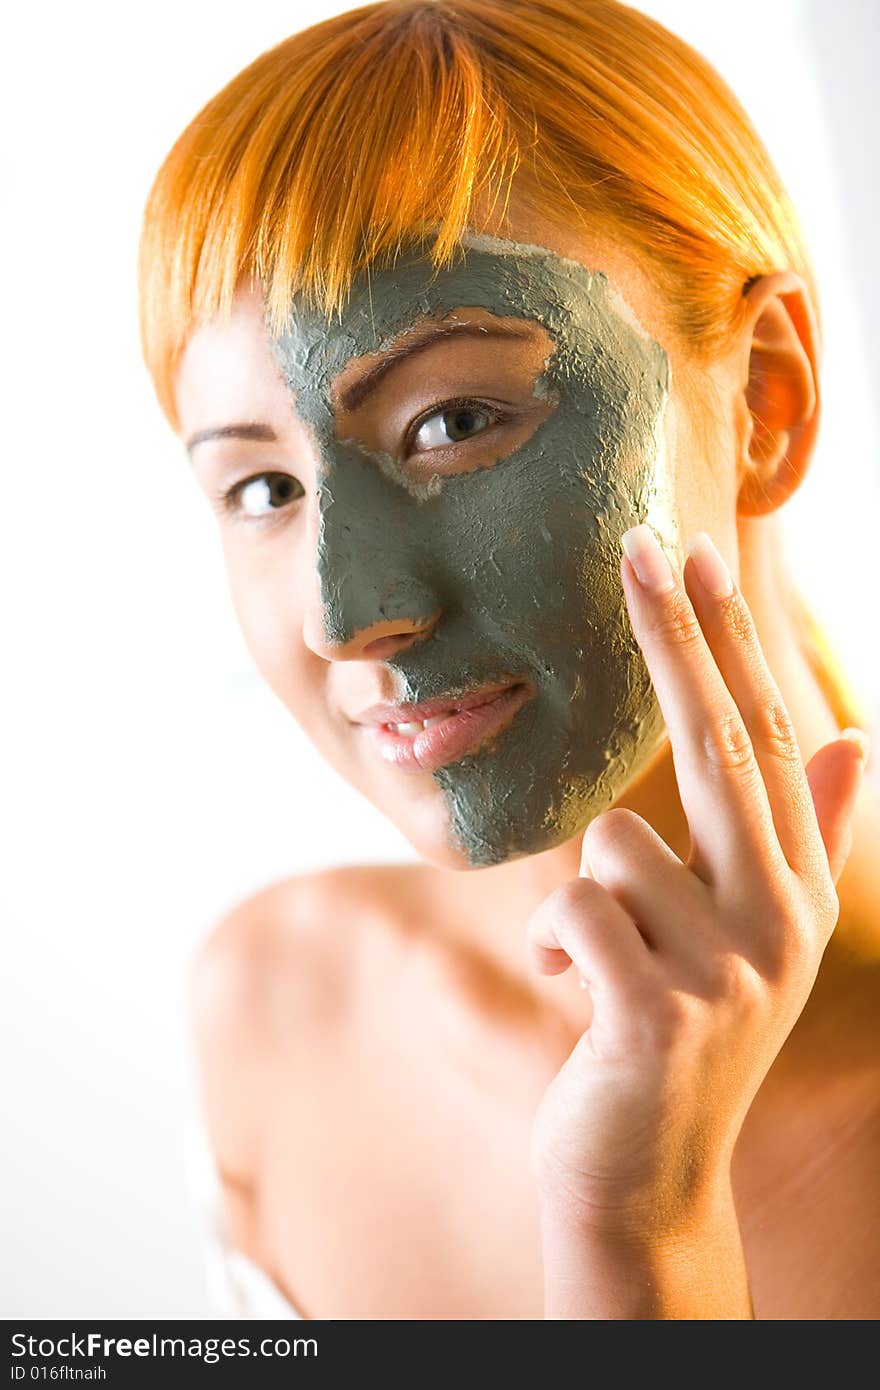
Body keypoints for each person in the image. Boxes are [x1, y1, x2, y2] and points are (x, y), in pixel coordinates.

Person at [139, 0, 880, 1319]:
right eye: (259, 489)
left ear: (765, 397)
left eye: (453, 420)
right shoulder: (275, 1006)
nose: (343, 614)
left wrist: (639, 1228)